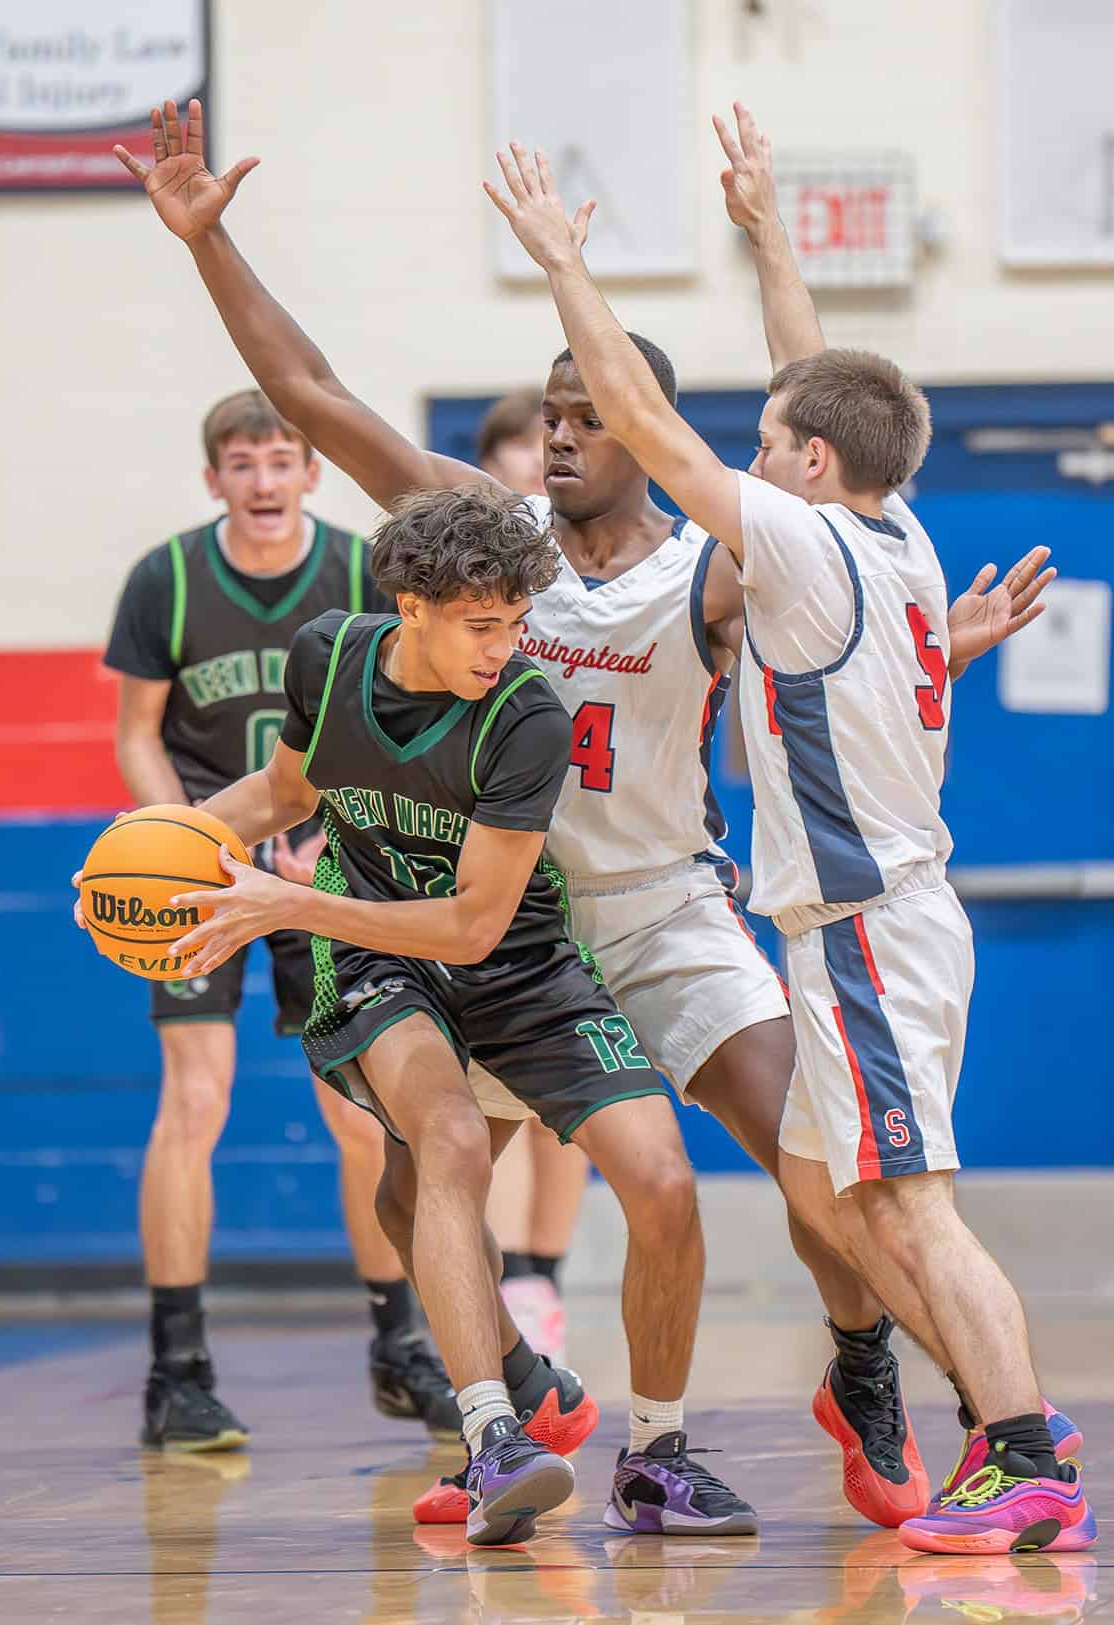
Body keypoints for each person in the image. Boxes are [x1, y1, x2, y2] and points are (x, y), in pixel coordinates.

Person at [109, 102, 762, 1544]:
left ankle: (681, 1433)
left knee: (669, 1176)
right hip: (398, 944)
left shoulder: (666, 586)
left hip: (564, 920)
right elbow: (311, 387)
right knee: (434, 1152)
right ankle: (489, 1422)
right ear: (415, 602)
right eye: (557, 411)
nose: (572, 430)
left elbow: (477, 918)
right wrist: (166, 856)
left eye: (601, 409)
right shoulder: (425, 575)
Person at [485, 111, 1097, 1556]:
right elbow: (808, 387)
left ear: (810, 468)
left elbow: (640, 416)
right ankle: (910, 1395)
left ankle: (1025, 1448)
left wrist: (566, 265)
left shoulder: (804, 545)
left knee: (913, 1212)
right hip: (860, 926)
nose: (748, 460)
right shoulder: (891, 531)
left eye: (769, 446)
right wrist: (765, 238)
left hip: (867, 925)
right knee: (854, 1211)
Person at [103, 388, 458, 1449]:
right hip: (205, 867)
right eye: (242, 464)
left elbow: (402, 711)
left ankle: (400, 1347)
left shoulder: (360, 570)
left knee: (363, 1117)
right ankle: (178, 1370)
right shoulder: (165, 580)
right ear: (214, 479)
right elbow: (136, 733)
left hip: (328, 865)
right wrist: (187, 841)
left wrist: (332, 824)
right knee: (194, 1099)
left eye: (280, 460)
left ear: (310, 472)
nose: (262, 481)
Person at [477, 389, 589, 1368]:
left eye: (546, 440)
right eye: (516, 445)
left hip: (594, 857)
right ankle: (511, 1270)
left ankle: (544, 1272)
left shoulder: (607, 563)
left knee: (579, 1101)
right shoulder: (479, 587)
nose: (535, 457)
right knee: (506, 1090)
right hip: (498, 852)